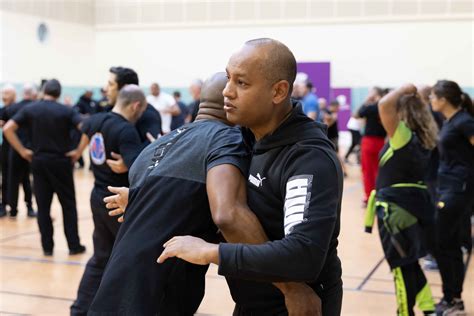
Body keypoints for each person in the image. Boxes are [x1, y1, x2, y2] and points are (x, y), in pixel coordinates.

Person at [89, 72, 321, 315]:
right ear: (228, 101)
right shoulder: (226, 138)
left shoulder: (154, 148)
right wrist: (291, 288)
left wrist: (138, 199)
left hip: (112, 290)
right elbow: (229, 215)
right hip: (156, 297)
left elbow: (170, 204)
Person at [159, 38, 343, 316]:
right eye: (228, 78)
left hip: (296, 308)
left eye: (241, 83)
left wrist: (211, 252)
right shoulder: (246, 136)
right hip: (252, 300)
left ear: (279, 91)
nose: (226, 91)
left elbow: (303, 254)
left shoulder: (308, 157)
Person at [70, 85, 147, 316]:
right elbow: (136, 168)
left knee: (100, 257)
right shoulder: (126, 131)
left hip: (98, 195)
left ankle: (80, 309)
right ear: (136, 105)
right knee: (131, 260)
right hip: (118, 202)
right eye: (141, 109)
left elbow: (85, 138)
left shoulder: (95, 120)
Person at [363, 84, 438, 316]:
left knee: (400, 267)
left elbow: (384, 104)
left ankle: (404, 312)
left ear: (401, 113)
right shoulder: (423, 136)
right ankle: (428, 307)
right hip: (413, 208)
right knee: (411, 261)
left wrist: (405, 88)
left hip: (396, 212)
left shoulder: (402, 136)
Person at [3, 79, 86, 256]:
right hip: (61, 162)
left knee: (43, 206)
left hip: (38, 162)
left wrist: (23, 151)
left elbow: (8, 128)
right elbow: (86, 128)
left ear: (43, 91)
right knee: (68, 205)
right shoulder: (66, 110)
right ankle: (73, 245)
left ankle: (47, 247)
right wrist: (78, 152)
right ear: (59, 93)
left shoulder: (31, 109)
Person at [430, 80, 474, 315]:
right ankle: (453, 299)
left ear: (443, 99)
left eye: (433, 97)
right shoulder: (451, 120)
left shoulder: (465, 121)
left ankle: (452, 299)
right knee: (449, 245)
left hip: (458, 190)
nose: (431, 100)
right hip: (448, 187)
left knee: (443, 243)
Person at [3, 84, 37, 217]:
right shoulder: (35, 108)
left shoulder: (11, 108)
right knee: (27, 180)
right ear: (33, 94)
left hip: (14, 149)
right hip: (30, 149)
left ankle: (13, 210)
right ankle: (29, 207)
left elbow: (6, 125)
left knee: (12, 180)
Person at [356, 87, 387, 205]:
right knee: (380, 170)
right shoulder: (386, 106)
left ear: (375, 94)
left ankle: (370, 197)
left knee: (368, 170)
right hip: (382, 142)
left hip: (369, 141)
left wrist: (367, 100)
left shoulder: (371, 107)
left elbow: (357, 114)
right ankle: (380, 194)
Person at [0, 84, 17, 217]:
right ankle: (3, 204)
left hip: (15, 148)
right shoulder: (2, 110)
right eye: (3, 93)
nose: (5, 96)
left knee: (20, 179)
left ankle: (16, 206)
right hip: (3, 148)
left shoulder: (17, 110)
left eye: (8, 93)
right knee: (4, 178)